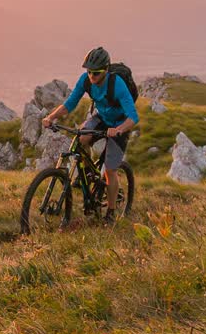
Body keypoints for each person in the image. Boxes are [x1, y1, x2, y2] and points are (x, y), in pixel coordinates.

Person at [39, 47, 139, 220]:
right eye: (89, 72)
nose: (92, 76)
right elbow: (70, 104)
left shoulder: (118, 85)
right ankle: (87, 174)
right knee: (81, 138)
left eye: (96, 73)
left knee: (110, 170)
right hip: (102, 118)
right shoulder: (85, 80)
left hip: (119, 124)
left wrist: (119, 130)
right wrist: (51, 117)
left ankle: (111, 212)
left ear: (106, 70)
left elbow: (133, 117)